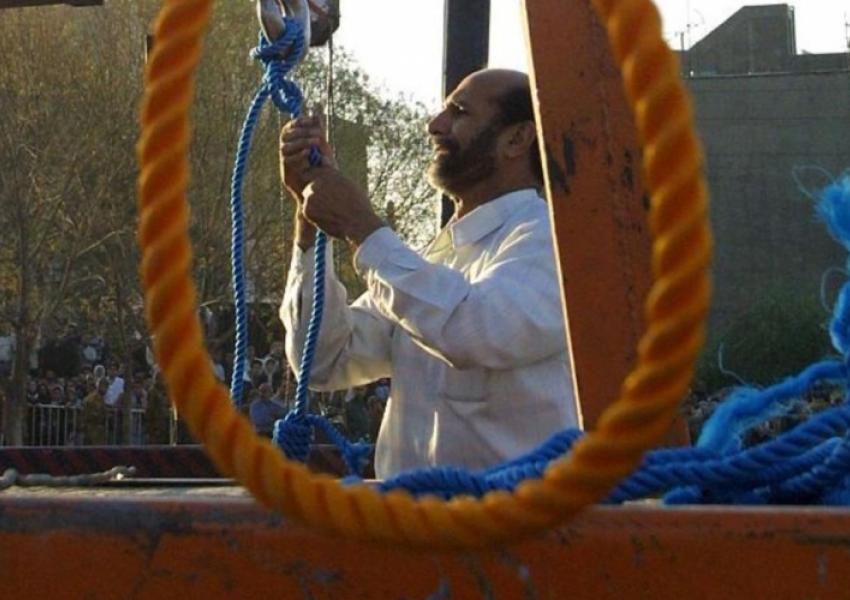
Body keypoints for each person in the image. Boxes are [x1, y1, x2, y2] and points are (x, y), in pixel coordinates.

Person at [279, 68, 577, 479]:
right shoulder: (433, 266)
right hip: (411, 531)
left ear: (516, 139)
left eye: (458, 112)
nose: (435, 125)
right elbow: (324, 361)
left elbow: (474, 329)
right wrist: (309, 215)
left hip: (508, 534)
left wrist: (361, 226)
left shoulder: (550, 241)